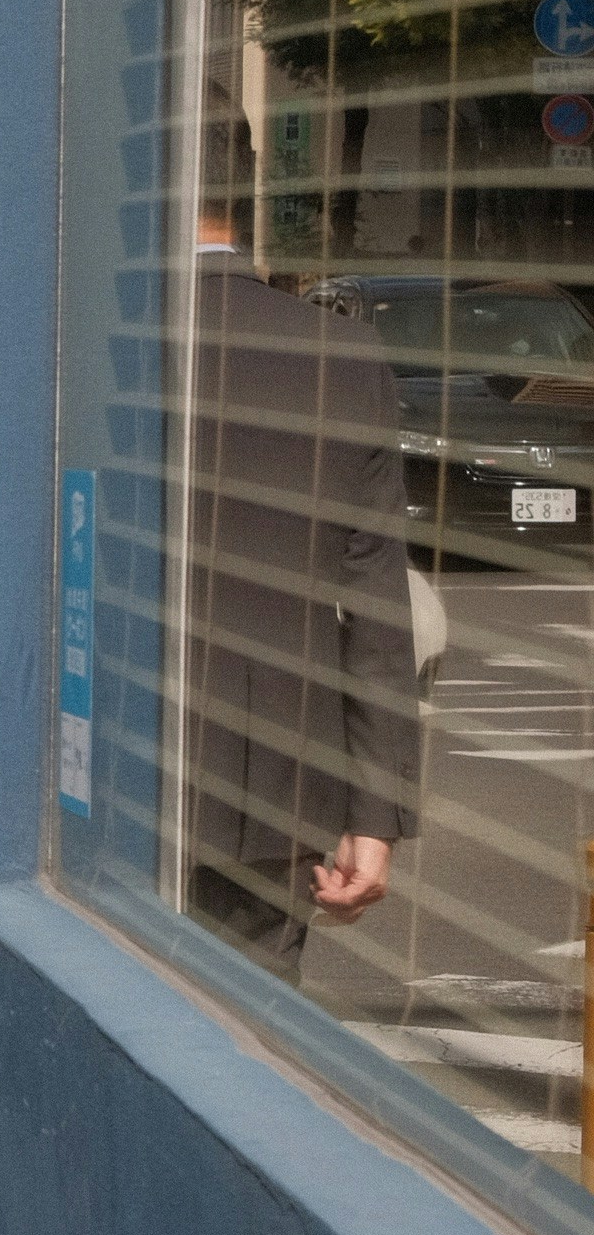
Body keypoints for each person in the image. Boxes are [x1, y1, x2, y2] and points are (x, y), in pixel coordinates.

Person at [184, 204, 419, 976]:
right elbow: (375, 602)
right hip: (272, 778)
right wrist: (372, 816)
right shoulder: (343, 353)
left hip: (97, 769)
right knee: (240, 1044)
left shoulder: (92, 341)